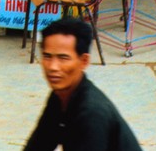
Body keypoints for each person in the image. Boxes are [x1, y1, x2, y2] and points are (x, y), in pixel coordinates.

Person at [24, 18, 142, 151]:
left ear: (84, 61)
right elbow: (39, 144)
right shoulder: (59, 96)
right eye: (47, 56)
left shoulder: (91, 113)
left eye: (63, 58)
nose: (53, 67)